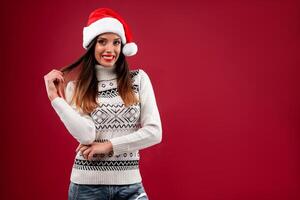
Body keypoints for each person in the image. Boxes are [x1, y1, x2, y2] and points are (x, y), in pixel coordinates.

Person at [43, 8, 162, 200]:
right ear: (92, 45)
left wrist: (109, 145)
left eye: (116, 42)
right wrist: (56, 100)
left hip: (130, 186)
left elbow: (154, 132)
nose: (110, 49)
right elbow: (86, 135)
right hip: (86, 188)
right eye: (102, 42)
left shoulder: (138, 80)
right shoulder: (76, 87)